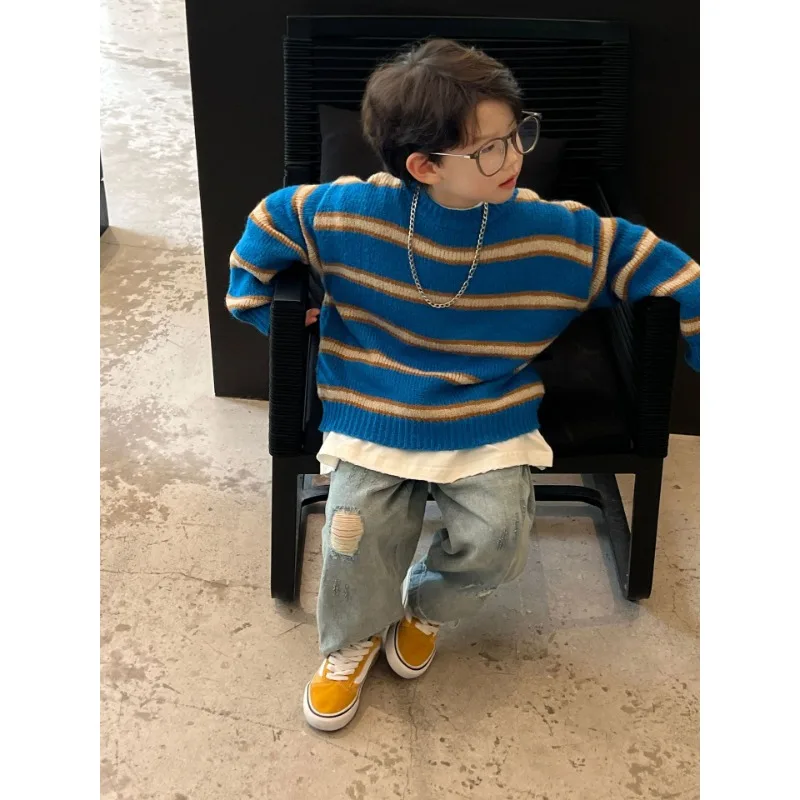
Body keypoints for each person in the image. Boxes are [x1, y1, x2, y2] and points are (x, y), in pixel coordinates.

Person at [226, 39, 700, 732]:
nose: (515, 158)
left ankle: (424, 610)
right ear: (423, 166)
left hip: (487, 409)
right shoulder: (347, 212)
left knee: (501, 540)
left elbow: (651, 260)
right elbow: (270, 225)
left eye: (518, 134)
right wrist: (266, 311)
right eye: (490, 150)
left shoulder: (548, 230)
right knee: (354, 534)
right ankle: (353, 637)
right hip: (373, 402)